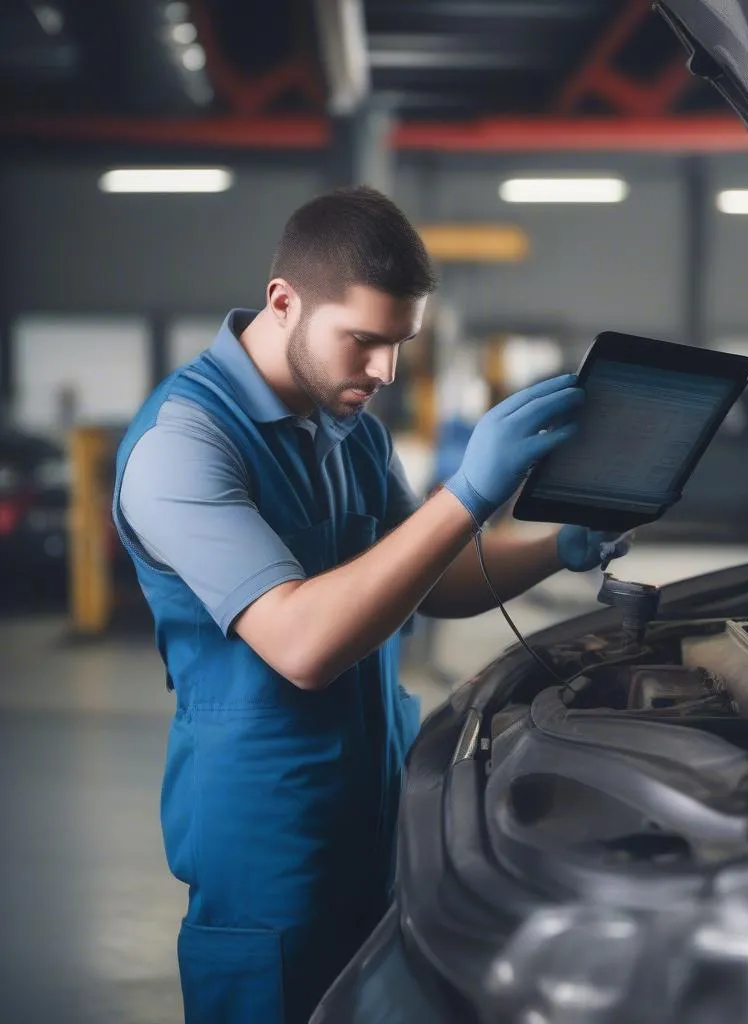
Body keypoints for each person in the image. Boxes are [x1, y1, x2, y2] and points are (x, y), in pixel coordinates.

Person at [112, 186, 628, 1024]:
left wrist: (551, 546)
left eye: (401, 344)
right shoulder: (183, 444)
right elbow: (303, 645)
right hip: (268, 839)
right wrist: (464, 494)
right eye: (364, 341)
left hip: (378, 812)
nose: (385, 372)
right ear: (285, 302)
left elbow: (430, 577)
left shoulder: (350, 426)